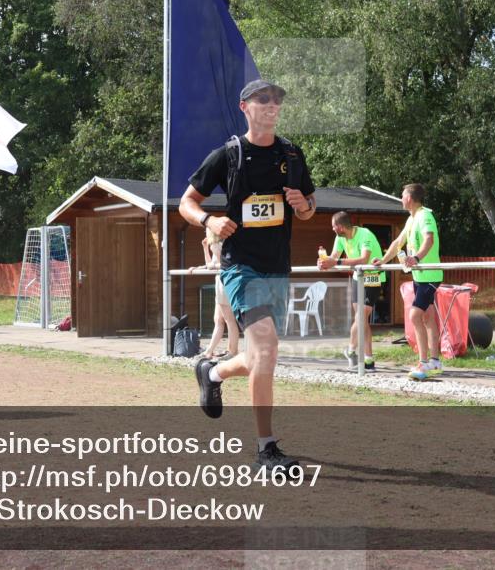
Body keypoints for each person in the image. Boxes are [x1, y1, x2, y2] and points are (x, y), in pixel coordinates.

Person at [180, 79, 316, 470]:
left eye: (277, 101)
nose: (272, 105)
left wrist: (302, 204)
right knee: (268, 348)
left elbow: (309, 206)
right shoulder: (229, 154)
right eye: (263, 99)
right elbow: (188, 202)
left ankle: (213, 372)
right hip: (242, 265)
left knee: (258, 355)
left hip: (278, 266)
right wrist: (210, 220)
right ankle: (266, 447)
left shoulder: (291, 153)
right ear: (245, 107)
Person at [372, 183, 444, 380]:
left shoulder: (425, 215)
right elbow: (398, 243)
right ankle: (435, 360)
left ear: (410, 198)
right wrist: (382, 261)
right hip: (419, 277)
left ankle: (423, 362)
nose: (401, 198)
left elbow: (429, 240)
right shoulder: (411, 219)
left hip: (430, 275)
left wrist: (417, 258)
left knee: (414, 316)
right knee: (427, 318)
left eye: (402, 195)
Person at [318, 211, 385, 371]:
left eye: (333, 226)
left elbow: (364, 259)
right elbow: (333, 256)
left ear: (340, 227)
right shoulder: (340, 237)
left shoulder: (364, 234)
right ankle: (368, 359)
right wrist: (324, 261)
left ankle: (350, 350)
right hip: (358, 277)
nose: (332, 229)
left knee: (362, 315)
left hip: (373, 276)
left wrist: (336, 262)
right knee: (361, 318)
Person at [192, 227, 240, 360]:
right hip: (220, 282)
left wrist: (211, 266)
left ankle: (233, 351)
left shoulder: (223, 244)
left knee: (229, 319)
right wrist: (205, 248)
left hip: (225, 282)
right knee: (218, 319)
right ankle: (209, 351)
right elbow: (211, 264)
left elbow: (224, 264)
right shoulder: (214, 245)